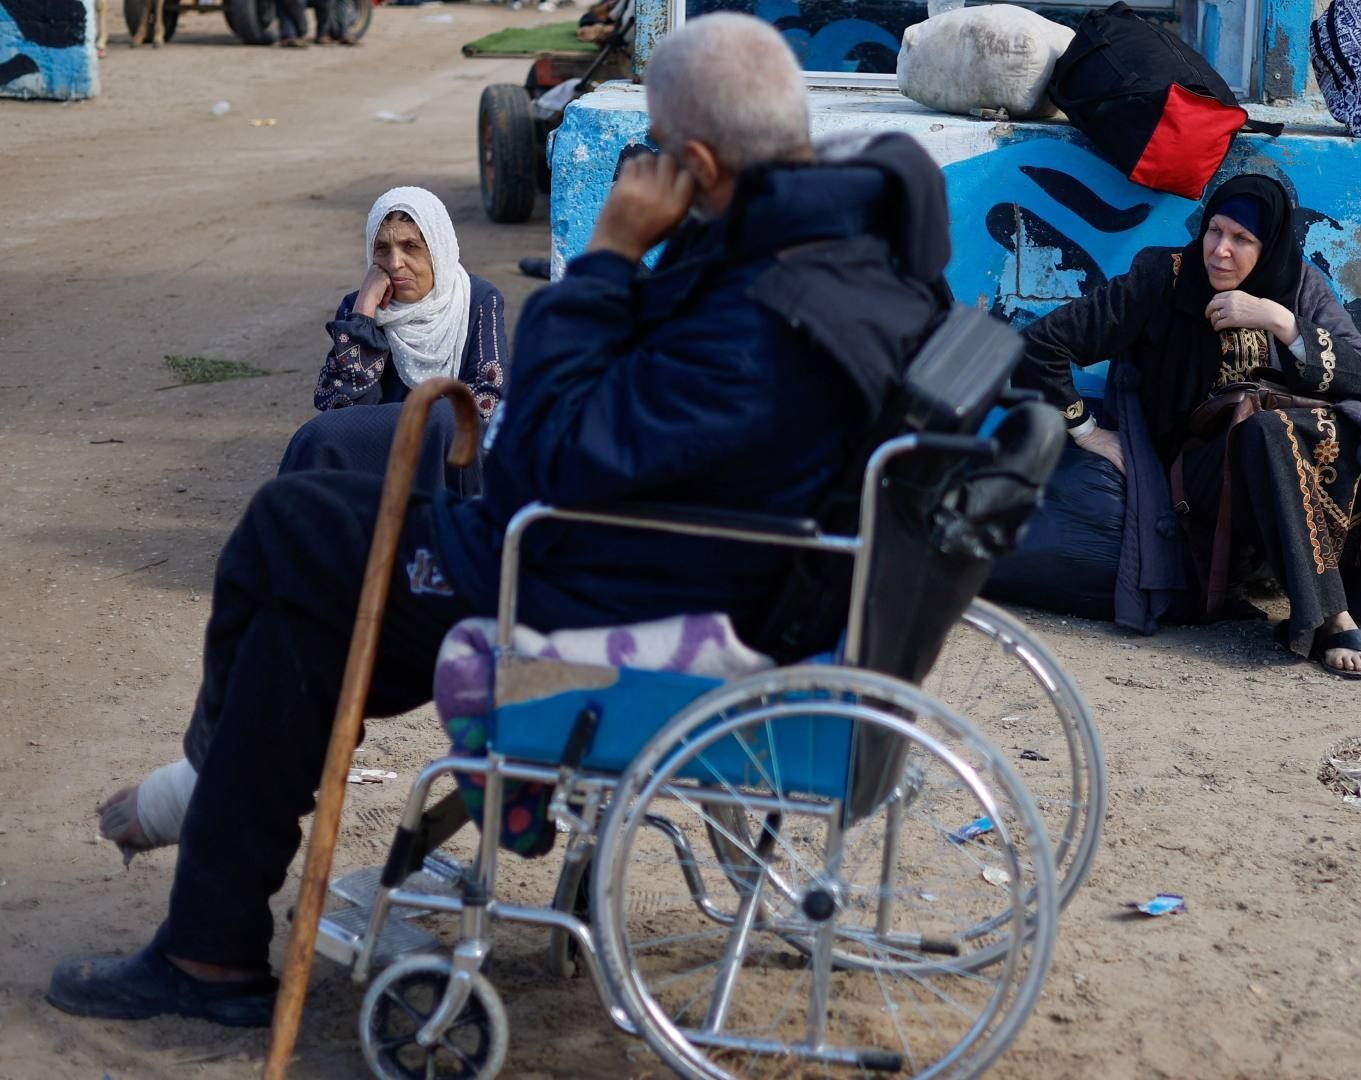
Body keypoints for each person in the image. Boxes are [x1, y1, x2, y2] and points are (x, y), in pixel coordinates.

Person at [53, 11, 953, 1026]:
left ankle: (207, 841)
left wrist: (608, 259)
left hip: (598, 575)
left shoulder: (776, 311)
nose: (649, 171)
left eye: (660, 153)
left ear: (700, 160)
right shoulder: (838, 247)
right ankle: (210, 940)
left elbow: (544, 465)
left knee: (290, 529)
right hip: (666, 543)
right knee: (311, 563)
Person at [1016, 174, 1361, 678]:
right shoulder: (1165, 277)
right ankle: (1330, 617)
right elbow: (1042, 345)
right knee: (1268, 433)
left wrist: (1279, 322)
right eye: (1214, 232)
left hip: (1286, 458)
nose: (1221, 252)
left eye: (1242, 240)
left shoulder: (1298, 287)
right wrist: (1087, 430)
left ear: (1269, 247)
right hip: (1198, 471)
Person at [276, 188, 507, 497]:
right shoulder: (358, 308)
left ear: (438, 248)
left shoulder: (477, 299)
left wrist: (424, 427)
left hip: (456, 461)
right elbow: (343, 408)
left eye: (411, 246)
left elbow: (486, 402)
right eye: (382, 248)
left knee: (448, 417)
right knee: (315, 437)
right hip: (382, 456)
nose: (395, 263)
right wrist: (364, 315)